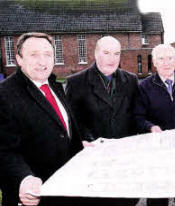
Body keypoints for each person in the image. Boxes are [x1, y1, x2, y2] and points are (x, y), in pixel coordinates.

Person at [0, 32, 83, 206]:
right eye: (34, 54)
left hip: (65, 190)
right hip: (35, 196)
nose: (42, 61)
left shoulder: (54, 85)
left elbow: (62, 128)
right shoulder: (5, 94)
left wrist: (82, 146)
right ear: (19, 59)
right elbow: (4, 150)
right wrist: (24, 179)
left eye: (47, 54)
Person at [66, 36, 139, 206]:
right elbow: (72, 121)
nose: (112, 59)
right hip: (93, 159)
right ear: (96, 53)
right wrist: (87, 141)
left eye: (116, 54)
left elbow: (137, 116)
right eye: (106, 53)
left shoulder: (131, 80)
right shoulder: (76, 82)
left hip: (124, 159)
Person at [134, 44, 175, 206]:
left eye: (170, 58)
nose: (166, 63)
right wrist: (151, 127)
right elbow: (137, 117)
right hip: (157, 151)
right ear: (154, 62)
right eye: (161, 59)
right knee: (157, 196)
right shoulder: (144, 87)